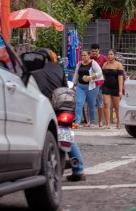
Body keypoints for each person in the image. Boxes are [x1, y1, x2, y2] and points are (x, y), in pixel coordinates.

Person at [29, 49, 86, 182]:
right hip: (61, 106)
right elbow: (65, 88)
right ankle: (79, 169)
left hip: (41, 107)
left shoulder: (32, 69)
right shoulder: (57, 68)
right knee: (66, 133)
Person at [73, 50, 103, 128]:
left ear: (89, 56)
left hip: (91, 87)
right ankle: (77, 122)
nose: (83, 57)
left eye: (85, 55)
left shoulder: (93, 63)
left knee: (91, 104)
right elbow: (76, 74)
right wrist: (74, 83)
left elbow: (99, 72)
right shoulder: (79, 64)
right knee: (79, 102)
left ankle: (91, 121)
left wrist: (91, 77)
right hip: (80, 86)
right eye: (82, 55)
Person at [101, 49, 126, 129]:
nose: (109, 56)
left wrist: (120, 90)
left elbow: (121, 78)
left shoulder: (118, 65)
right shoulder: (105, 64)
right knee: (106, 104)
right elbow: (103, 76)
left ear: (114, 56)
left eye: (111, 54)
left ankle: (119, 121)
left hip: (116, 87)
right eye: (108, 54)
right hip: (106, 86)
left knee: (117, 106)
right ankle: (107, 123)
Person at [90, 44, 108, 127]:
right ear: (91, 51)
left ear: (99, 51)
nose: (94, 53)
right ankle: (90, 121)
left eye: (96, 51)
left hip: (100, 84)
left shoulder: (103, 58)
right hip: (90, 83)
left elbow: (106, 71)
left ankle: (100, 121)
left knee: (100, 103)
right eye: (93, 51)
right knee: (90, 103)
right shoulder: (88, 58)